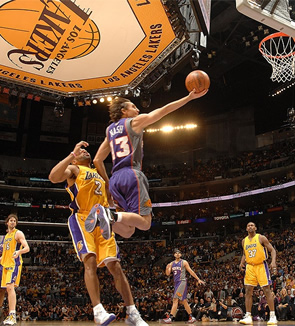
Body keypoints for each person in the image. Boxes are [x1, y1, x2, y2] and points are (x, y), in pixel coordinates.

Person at [85, 89, 207, 239]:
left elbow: (97, 159)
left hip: (115, 179)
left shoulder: (109, 130)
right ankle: (109, 215)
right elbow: (163, 110)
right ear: (123, 111)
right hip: (131, 174)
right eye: (133, 107)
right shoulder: (134, 122)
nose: (137, 109)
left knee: (128, 231)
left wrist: (108, 183)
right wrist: (188, 98)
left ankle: (106, 217)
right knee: (145, 223)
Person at [49, 141, 147, 326]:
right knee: (90, 260)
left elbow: (109, 195)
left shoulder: (99, 174)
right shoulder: (74, 169)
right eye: (81, 151)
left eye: (85, 150)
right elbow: (53, 177)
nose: (84, 151)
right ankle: (98, 310)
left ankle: (132, 312)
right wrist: (72, 154)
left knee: (115, 266)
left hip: (102, 219)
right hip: (83, 218)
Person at [0, 214, 29, 325]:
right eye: (11, 220)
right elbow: (3, 256)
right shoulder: (6, 237)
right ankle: (10, 316)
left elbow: (27, 248)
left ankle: (12, 315)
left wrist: (19, 252)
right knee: (7, 289)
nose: (13, 222)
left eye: (14, 221)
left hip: (14, 264)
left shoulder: (18, 233)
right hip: (5, 265)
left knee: (10, 288)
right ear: (7, 222)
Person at [239, 222, 277, 325]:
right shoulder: (244, 241)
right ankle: (248, 315)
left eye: (252, 225)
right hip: (250, 266)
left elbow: (272, 250)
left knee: (266, 290)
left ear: (255, 228)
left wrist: (273, 262)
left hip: (261, 265)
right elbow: (244, 254)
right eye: (248, 225)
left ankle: (273, 316)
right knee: (248, 291)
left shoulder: (261, 238)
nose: (250, 227)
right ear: (246, 229)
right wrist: (242, 262)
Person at [163, 249, 205, 323]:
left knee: (175, 299)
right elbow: (167, 274)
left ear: (181, 255)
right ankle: (191, 317)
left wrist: (198, 279)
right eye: (176, 253)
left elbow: (190, 271)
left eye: (179, 253)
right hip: (176, 283)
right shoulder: (171, 263)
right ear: (174, 255)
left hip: (182, 282)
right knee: (184, 301)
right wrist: (167, 268)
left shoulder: (184, 262)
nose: (177, 254)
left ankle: (171, 317)